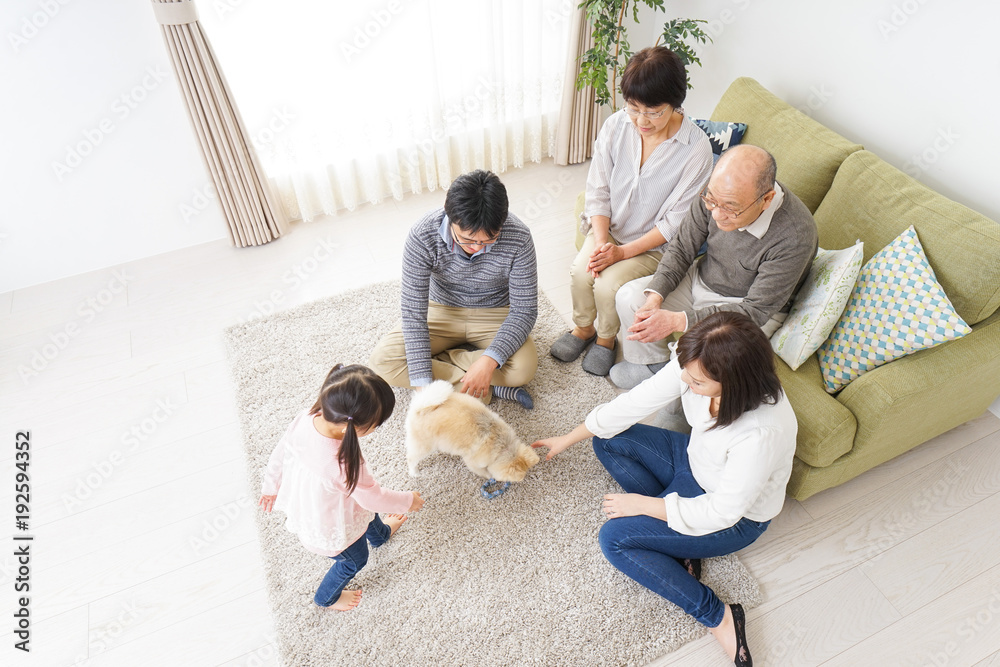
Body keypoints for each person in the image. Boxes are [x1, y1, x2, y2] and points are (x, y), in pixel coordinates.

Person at [532, 312, 797, 667]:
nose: (685, 381)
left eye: (697, 382)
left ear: (733, 383)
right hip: (694, 463)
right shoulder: (696, 362)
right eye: (685, 372)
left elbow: (722, 511)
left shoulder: (761, 432)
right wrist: (567, 438)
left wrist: (644, 506)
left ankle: (717, 615)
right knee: (607, 438)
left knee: (614, 539)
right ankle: (678, 542)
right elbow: (634, 403)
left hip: (735, 518)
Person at [549, 46, 713, 377]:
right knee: (581, 272)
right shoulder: (616, 125)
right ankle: (584, 329)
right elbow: (598, 189)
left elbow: (674, 224)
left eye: (653, 112)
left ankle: (606, 340)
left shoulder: (696, 149)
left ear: (676, 103)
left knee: (607, 285)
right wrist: (601, 243)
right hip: (609, 229)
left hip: (653, 246)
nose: (641, 121)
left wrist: (621, 253)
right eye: (633, 108)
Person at [610, 144, 818, 389]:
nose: (717, 215)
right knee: (630, 298)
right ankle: (652, 364)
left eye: (730, 208)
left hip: (748, 308)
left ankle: (674, 395)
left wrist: (678, 321)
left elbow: (755, 311)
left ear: (766, 199)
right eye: (712, 201)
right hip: (703, 277)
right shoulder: (717, 191)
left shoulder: (795, 236)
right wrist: (655, 298)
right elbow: (682, 248)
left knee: (700, 363)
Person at [259, 364, 425, 611]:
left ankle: (380, 536)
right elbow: (372, 498)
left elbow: (280, 453)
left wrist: (270, 486)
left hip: (335, 502)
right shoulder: (345, 462)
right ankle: (327, 598)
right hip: (330, 523)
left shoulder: (306, 418)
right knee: (354, 560)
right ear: (352, 427)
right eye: (375, 425)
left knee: (364, 515)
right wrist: (408, 501)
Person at [369, 169, 538, 409]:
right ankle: (488, 388)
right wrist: (424, 386)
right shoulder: (423, 234)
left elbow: (525, 311)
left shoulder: (519, 237)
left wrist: (489, 361)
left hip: (495, 313)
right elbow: (413, 311)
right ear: (449, 216)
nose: (477, 247)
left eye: (488, 240)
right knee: (382, 361)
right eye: (467, 239)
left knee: (523, 368)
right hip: (440, 310)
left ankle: (452, 363)